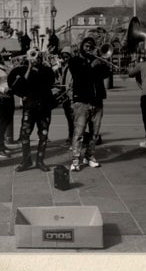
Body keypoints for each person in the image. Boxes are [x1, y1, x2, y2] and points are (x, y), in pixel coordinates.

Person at [63, 36, 111, 170]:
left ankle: (90, 156)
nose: (88, 48)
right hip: (82, 101)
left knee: (95, 133)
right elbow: (81, 76)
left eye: (91, 46)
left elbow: (107, 74)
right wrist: (92, 64)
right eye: (86, 46)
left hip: (97, 101)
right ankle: (76, 159)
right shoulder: (75, 61)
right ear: (82, 47)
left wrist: (104, 62)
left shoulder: (98, 61)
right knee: (79, 132)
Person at [8, 47, 58, 171]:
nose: (35, 57)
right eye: (32, 54)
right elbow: (18, 85)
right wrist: (29, 67)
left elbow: (49, 82)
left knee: (43, 135)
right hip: (30, 107)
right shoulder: (24, 70)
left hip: (44, 107)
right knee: (24, 135)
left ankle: (40, 161)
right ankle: (26, 161)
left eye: (37, 55)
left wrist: (39, 66)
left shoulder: (46, 70)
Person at [0, 26, 22, 158]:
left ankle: (2, 145)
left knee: (7, 121)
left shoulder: (3, 66)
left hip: (9, 97)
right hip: (2, 98)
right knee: (2, 123)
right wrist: (4, 89)